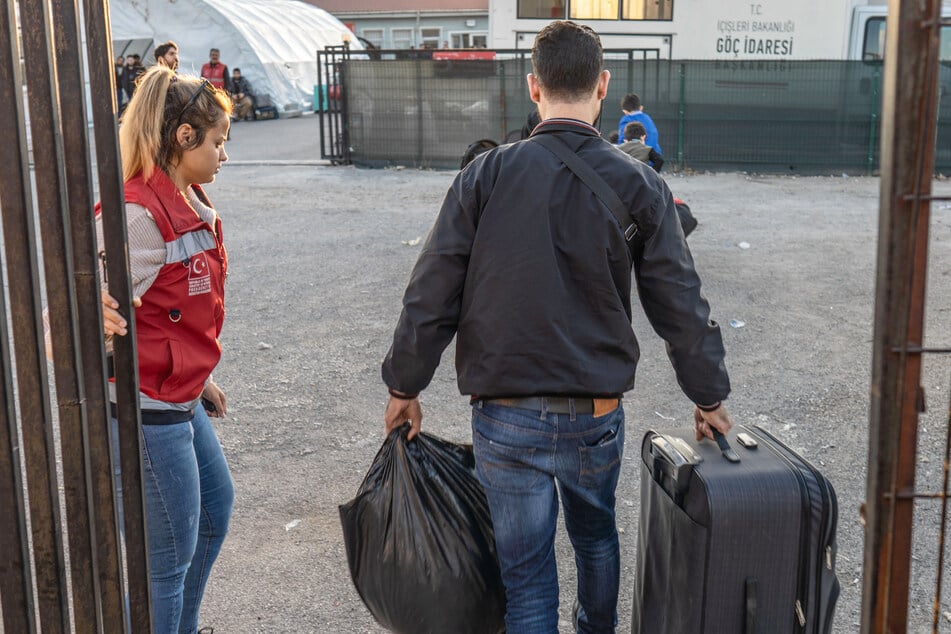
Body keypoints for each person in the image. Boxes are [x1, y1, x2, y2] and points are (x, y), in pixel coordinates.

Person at [381, 19, 732, 634]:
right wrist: (708, 396)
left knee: (526, 572)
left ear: (533, 87)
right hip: (594, 411)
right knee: (596, 537)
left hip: (504, 410)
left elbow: (431, 290)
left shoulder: (483, 176)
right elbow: (680, 301)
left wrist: (404, 386)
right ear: (602, 86)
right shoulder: (640, 183)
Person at [100, 65, 234, 634]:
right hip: (147, 407)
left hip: (176, 395)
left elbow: (164, 313)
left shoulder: (186, 198)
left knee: (213, 513)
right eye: (218, 142)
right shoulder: (140, 216)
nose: (224, 155)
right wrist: (85, 311)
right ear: (184, 139)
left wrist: (198, 375)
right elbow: (80, 308)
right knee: (168, 558)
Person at [617, 92, 661, 156]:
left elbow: (622, 142)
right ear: (640, 108)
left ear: (624, 111)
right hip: (654, 157)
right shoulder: (647, 117)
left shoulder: (626, 119)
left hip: (638, 159)